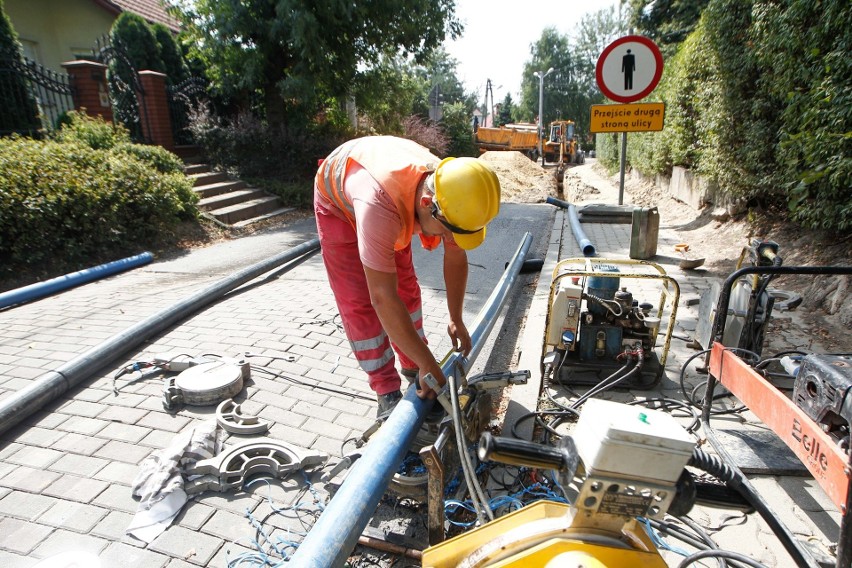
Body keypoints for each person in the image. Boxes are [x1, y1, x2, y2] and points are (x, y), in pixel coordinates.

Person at [314, 136, 501, 419]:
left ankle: (414, 365)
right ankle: (386, 391)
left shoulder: (451, 191)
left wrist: (455, 318)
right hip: (339, 206)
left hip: (391, 192)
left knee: (407, 289)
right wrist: (429, 362)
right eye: (448, 231)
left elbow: (455, 257)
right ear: (428, 204)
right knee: (360, 302)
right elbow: (381, 297)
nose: (449, 238)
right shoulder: (379, 206)